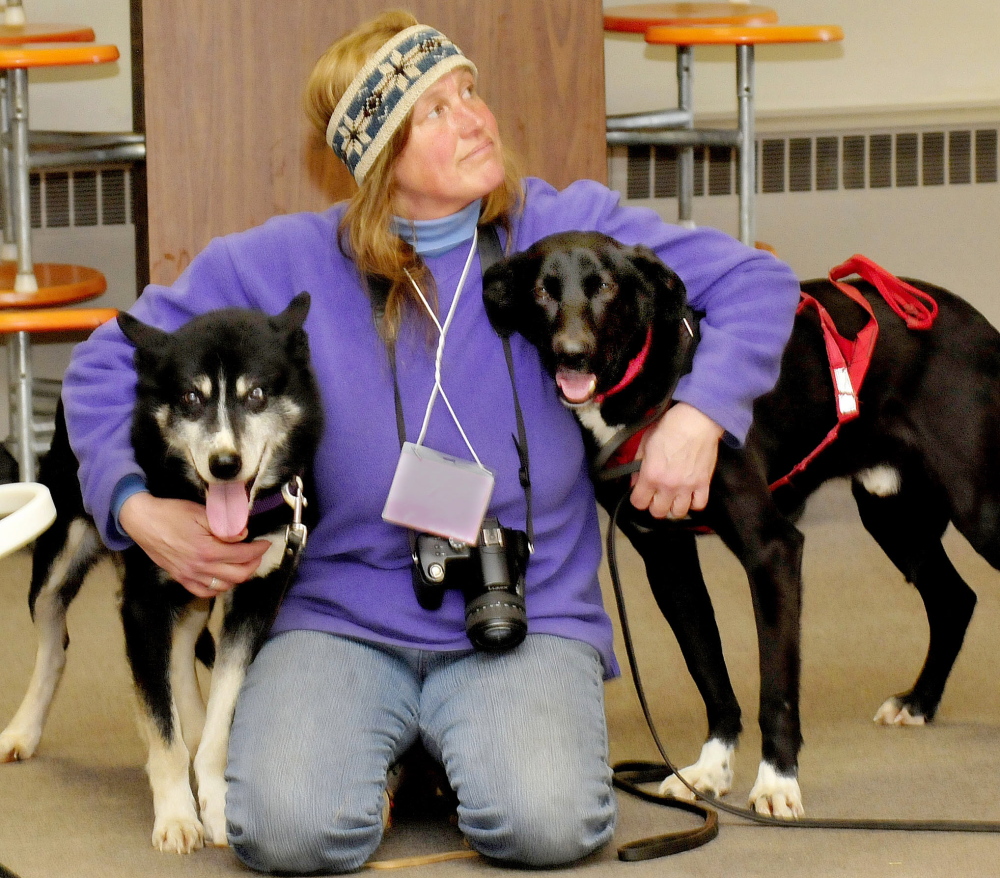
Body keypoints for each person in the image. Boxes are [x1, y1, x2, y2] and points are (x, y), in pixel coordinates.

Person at [62, 10, 801, 873]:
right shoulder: (287, 259)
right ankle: (406, 750)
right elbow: (111, 357)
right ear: (375, 154)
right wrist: (131, 505)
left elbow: (757, 278)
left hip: (523, 610)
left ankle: (435, 750)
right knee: (288, 834)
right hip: (339, 612)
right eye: (435, 110)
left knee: (550, 828)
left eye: (471, 93)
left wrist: (700, 414)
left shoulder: (559, 231)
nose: (477, 118)